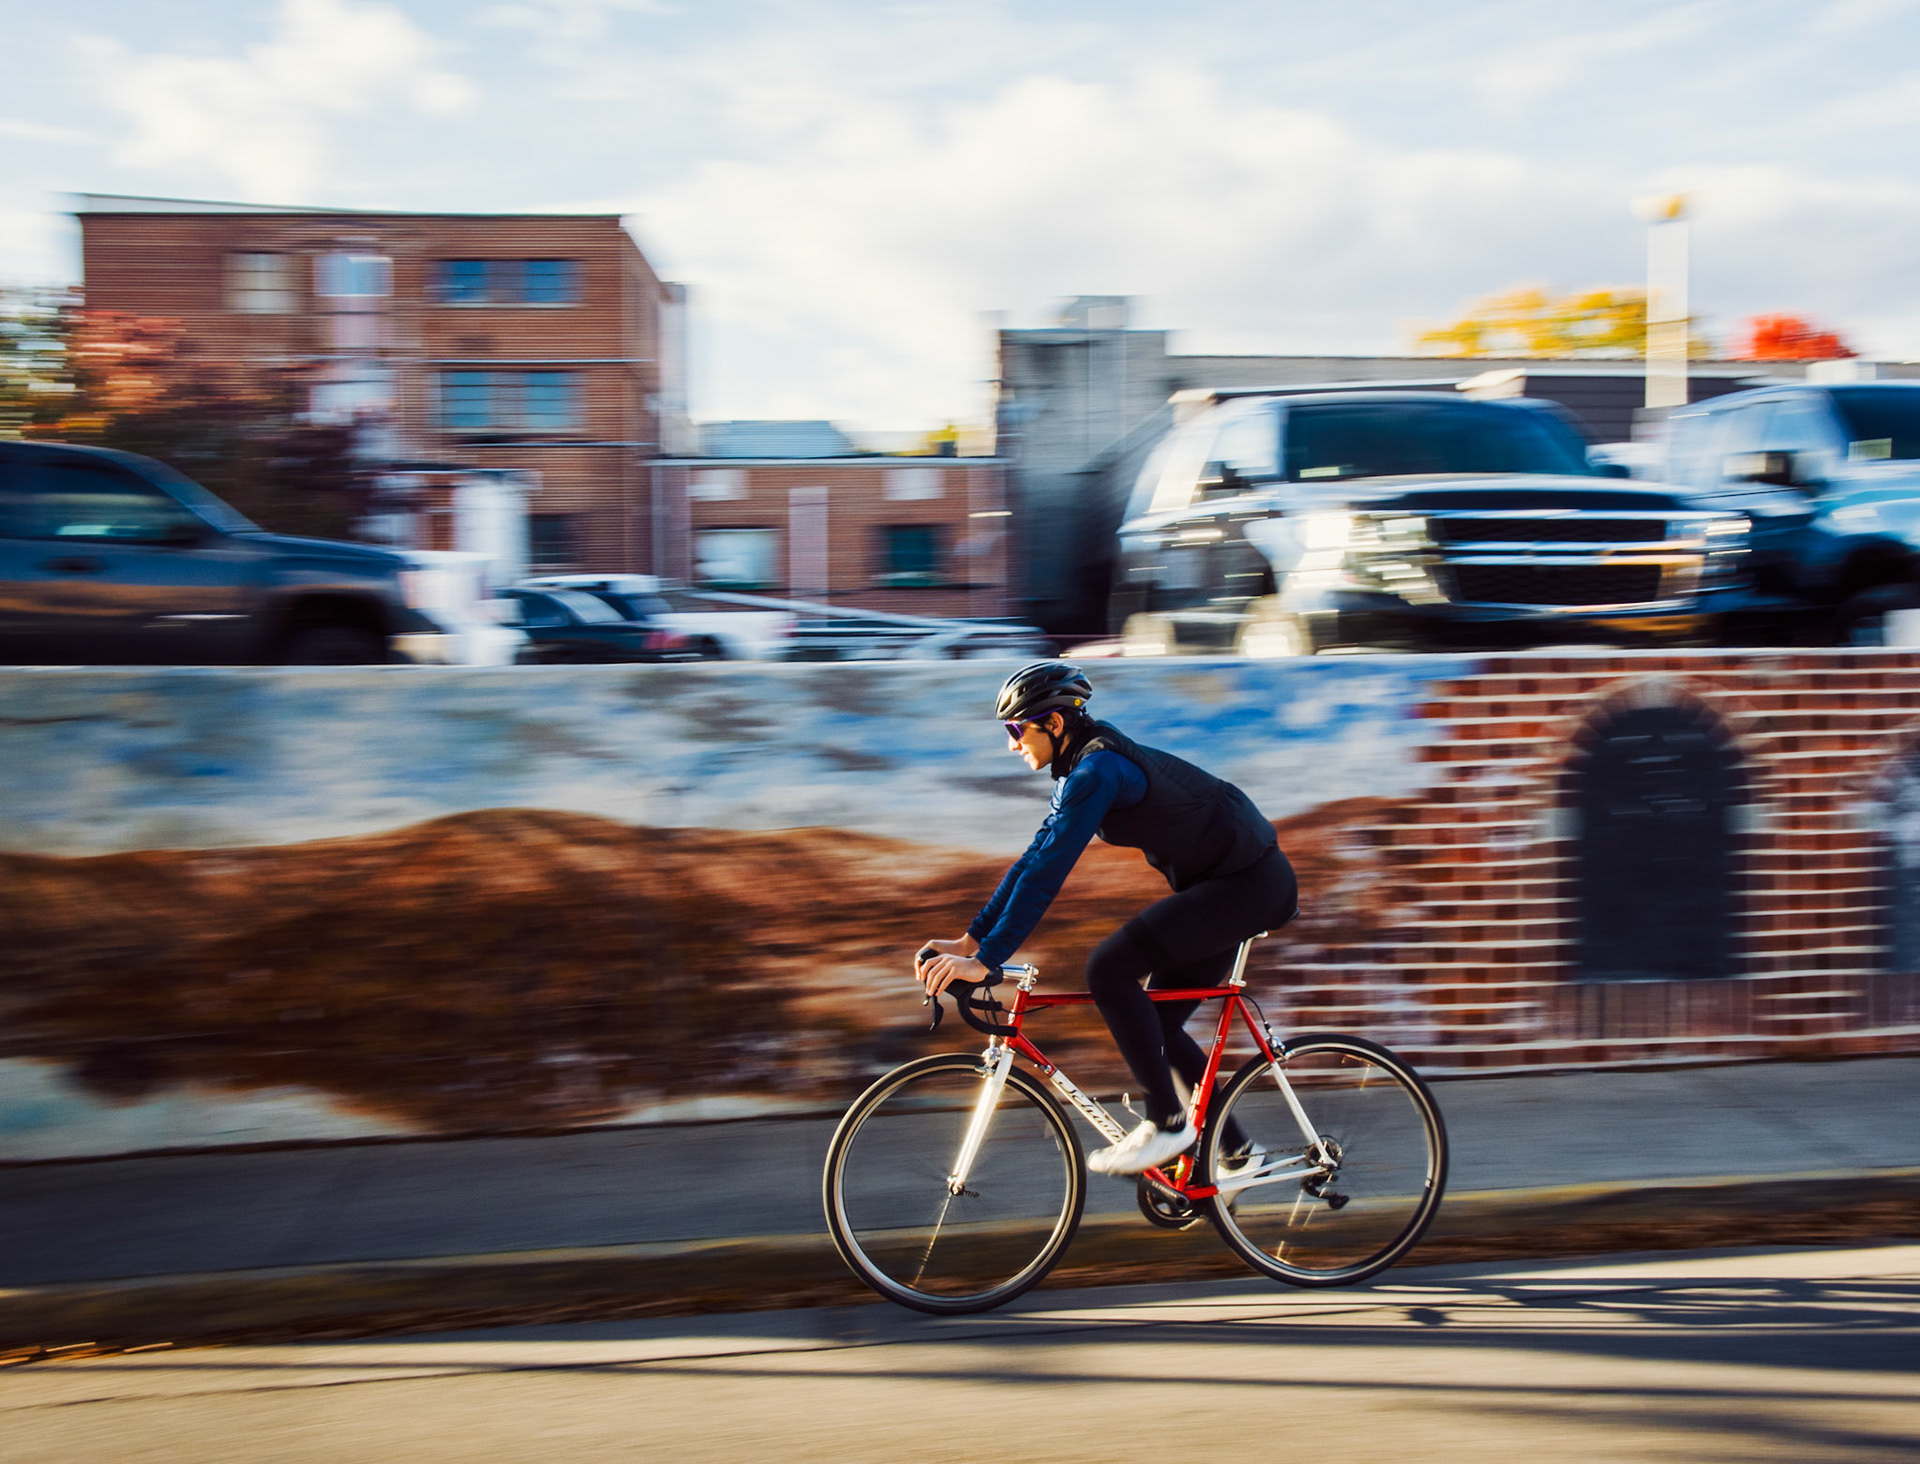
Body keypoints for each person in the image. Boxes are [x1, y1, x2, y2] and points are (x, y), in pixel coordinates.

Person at [916, 661, 1298, 1176]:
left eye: (1016, 729)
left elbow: (1048, 873)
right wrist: (971, 941)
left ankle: (1168, 1124)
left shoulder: (1098, 770)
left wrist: (989, 961)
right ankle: (1238, 1155)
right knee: (1156, 1024)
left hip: (1249, 884)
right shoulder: (1084, 768)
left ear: (1054, 723)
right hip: (1229, 884)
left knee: (1108, 969)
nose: (1011, 744)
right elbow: (1034, 858)